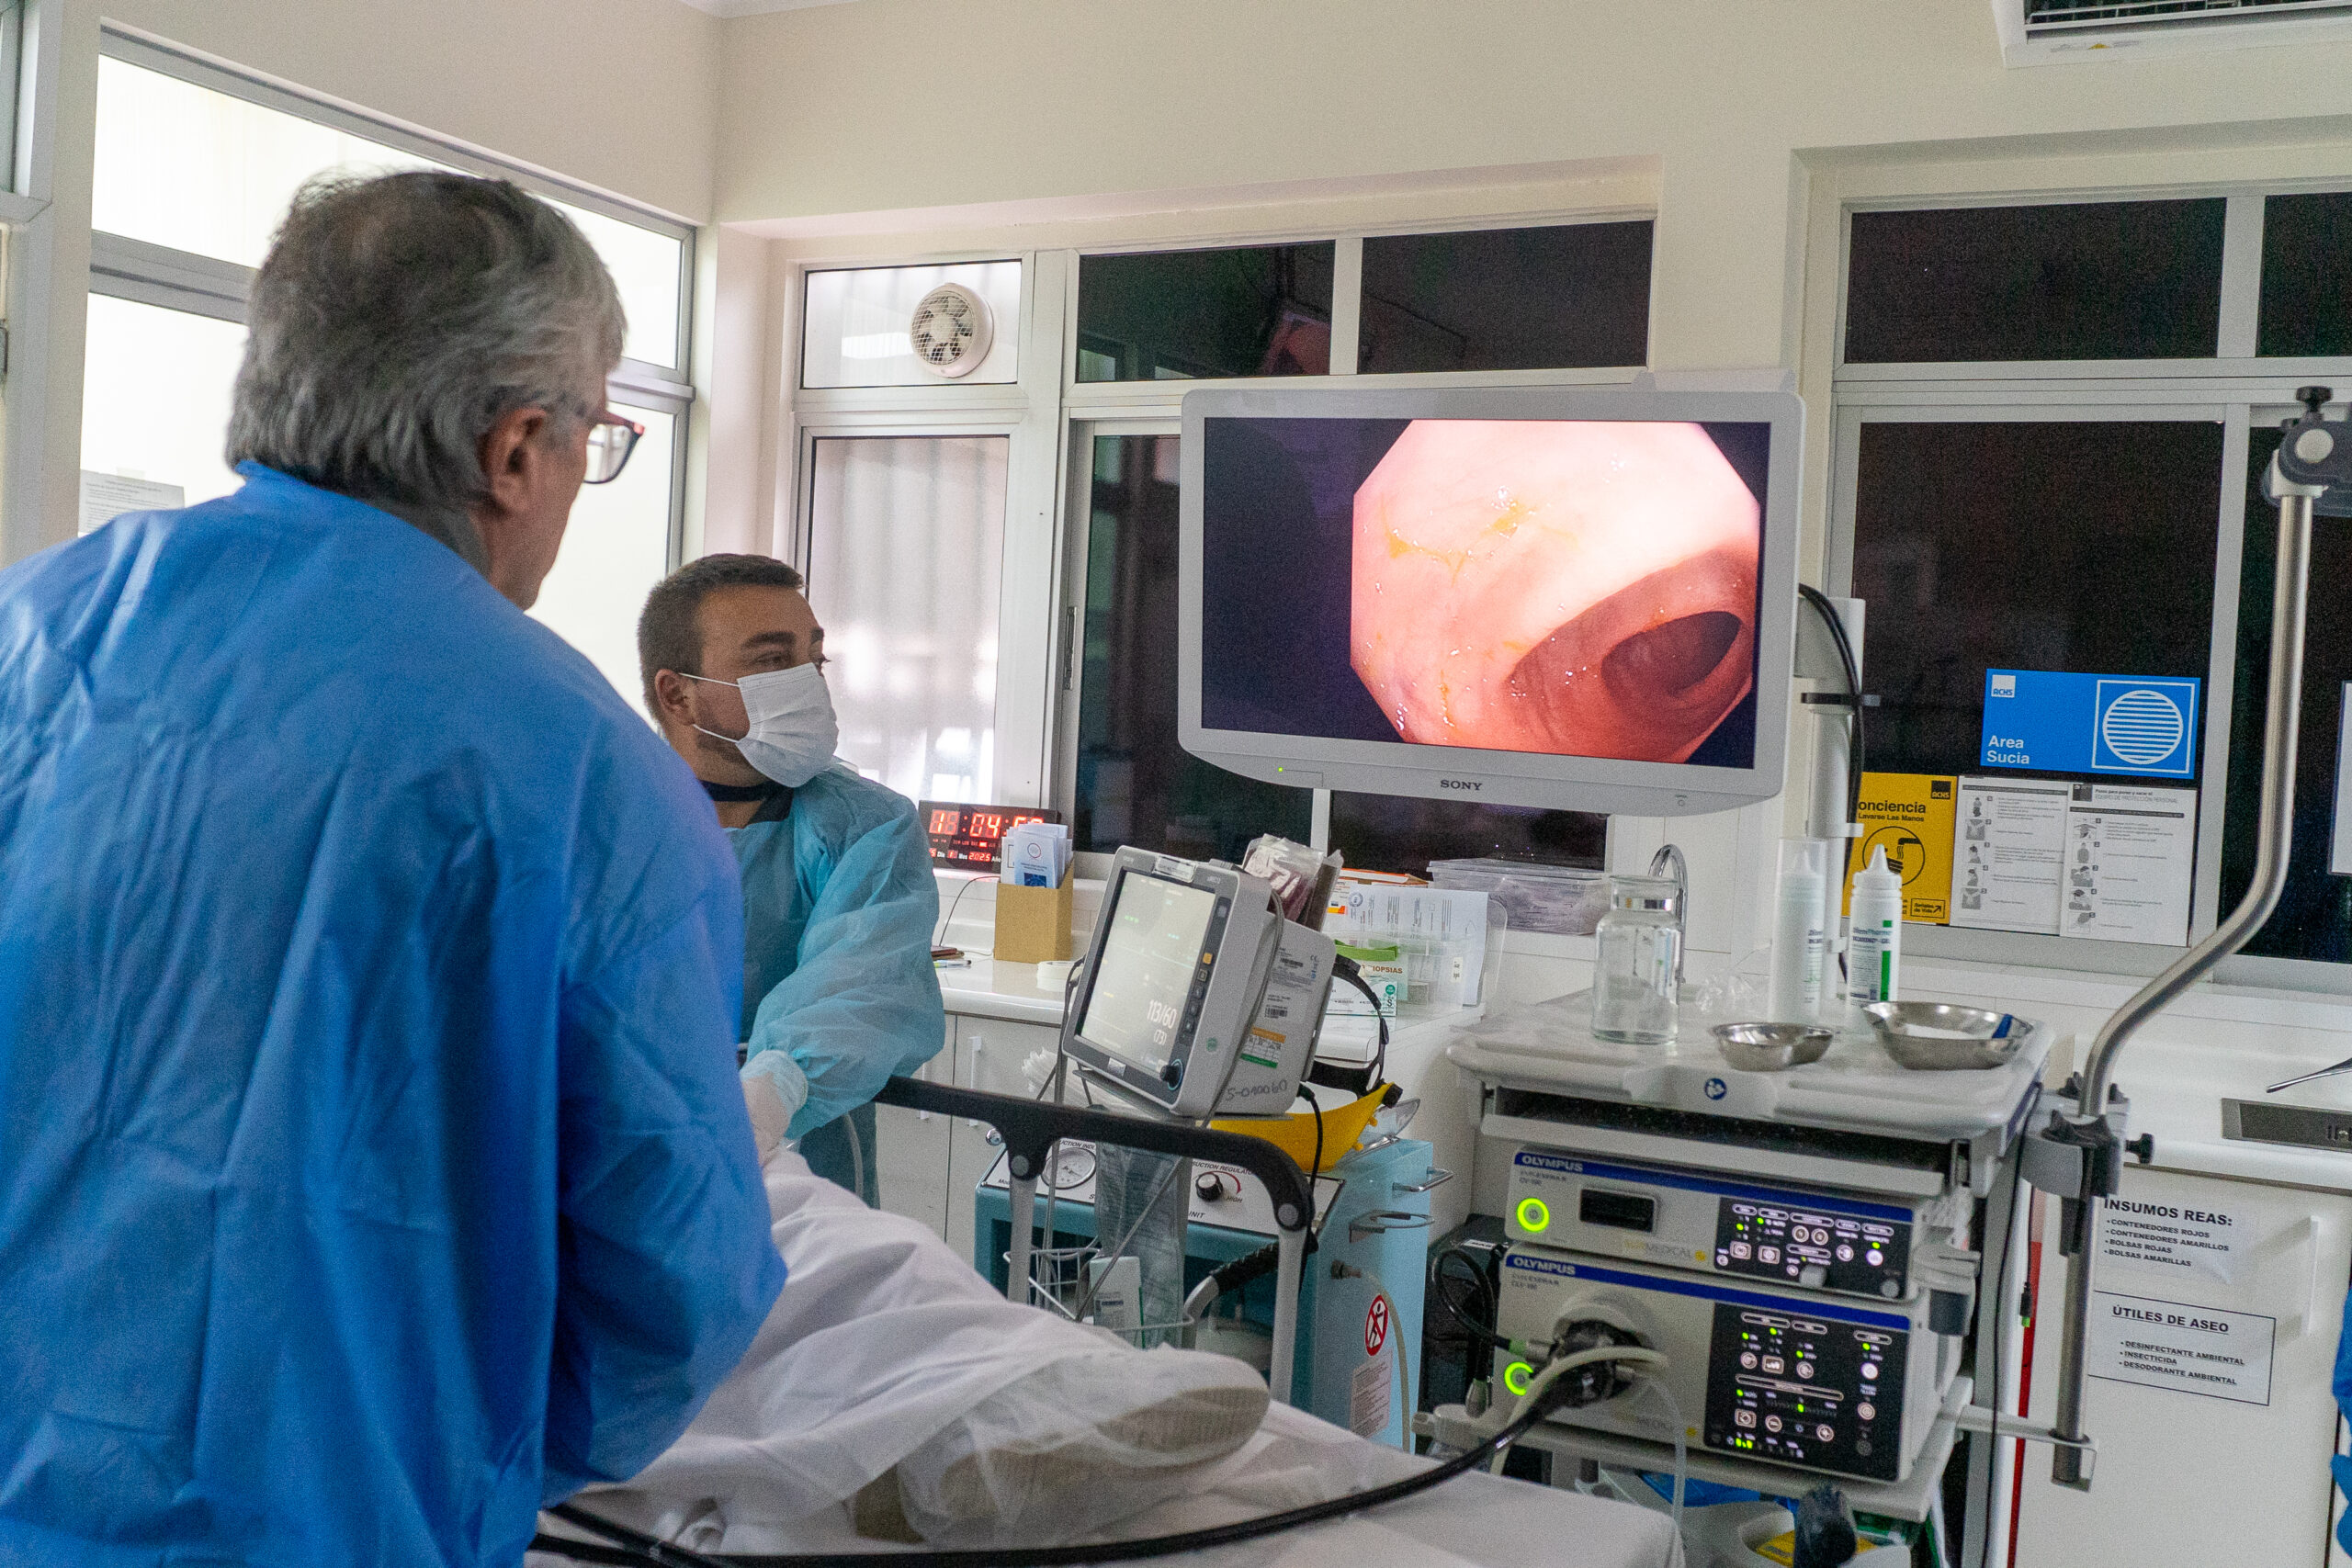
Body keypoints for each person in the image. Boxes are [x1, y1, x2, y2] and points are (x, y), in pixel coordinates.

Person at [0, 172, 782, 1566]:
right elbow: (671, 1289)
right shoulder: (590, 777)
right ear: (517, 448)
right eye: (595, 437)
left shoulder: (34, 634)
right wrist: (460, 1457)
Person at [639, 555, 946, 1201]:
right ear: (678, 695)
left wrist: (769, 1093)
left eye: (815, 659)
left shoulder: (863, 827)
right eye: (773, 661)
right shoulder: (606, 822)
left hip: (803, 1183)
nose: (807, 683)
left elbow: (861, 989)